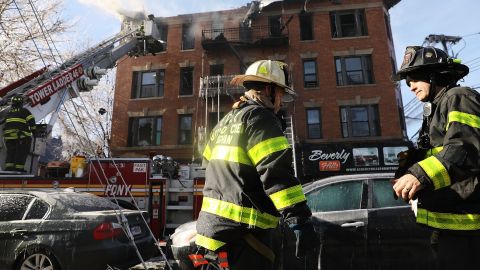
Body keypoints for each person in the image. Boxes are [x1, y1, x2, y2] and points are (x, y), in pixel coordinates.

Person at [193, 60, 318, 269]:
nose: (281, 103)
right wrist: (299, 219)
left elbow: (208, 163)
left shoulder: (226, 121)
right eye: (280, 95)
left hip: (211, 234)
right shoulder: (261, 118)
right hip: (243, 237)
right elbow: (276, 173)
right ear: (269, 90)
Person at [392, 46, 480, 270]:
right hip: (450, 225)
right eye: (406, 80)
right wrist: (408, 171)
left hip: (469, 228)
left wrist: (419, 176)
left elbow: (465, 147)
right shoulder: (437, 107)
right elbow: (437, 153)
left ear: (434, 74)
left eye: (413, 77)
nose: (409, 86)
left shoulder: (459, 97)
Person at [3, 94, 36, 172]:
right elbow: (31, 122)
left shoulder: (8, 112)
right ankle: (19, 168)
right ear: (21, 103)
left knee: (11, 152)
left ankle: (9, 168)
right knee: (21, 152)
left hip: (9, 137)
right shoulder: (24, 111)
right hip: (21, 136)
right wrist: (34, 132)